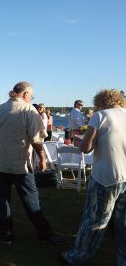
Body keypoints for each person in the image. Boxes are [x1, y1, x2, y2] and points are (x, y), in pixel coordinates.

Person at [0, 81, 64, 245]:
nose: (32, 98)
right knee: (30, 198)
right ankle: (43, 233)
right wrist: (42, 157)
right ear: (25, 94)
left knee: (3, 199)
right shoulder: (29, 110)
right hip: (19, 162)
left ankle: (6, 234)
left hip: (0, 160)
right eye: (32, 96)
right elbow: (36, 139)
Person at [60, 89, 126, 265]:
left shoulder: (100, 116)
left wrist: (78, 141)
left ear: (100, 101)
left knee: (95, 219)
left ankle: (77, 256)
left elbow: (86, 147)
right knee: (124, 224)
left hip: (106, 176)